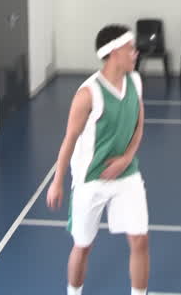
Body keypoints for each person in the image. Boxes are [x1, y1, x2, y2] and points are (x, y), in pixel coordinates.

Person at [47, 24, 150, 295]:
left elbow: (139, 122)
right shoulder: (87, 94)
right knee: (83, 246)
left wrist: (127, 158)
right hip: (90, 179)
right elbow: (69, 139)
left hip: (127, 174)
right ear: (114, 52)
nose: (135, 52)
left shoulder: (135, 81)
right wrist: (58, 182)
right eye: (130, 48)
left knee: (140, 241)